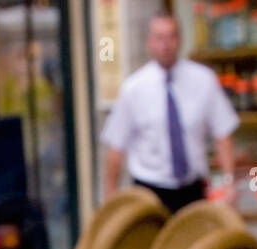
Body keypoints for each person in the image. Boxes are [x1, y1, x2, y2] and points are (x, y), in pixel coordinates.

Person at [101, 14, 238, 212]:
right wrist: (110, 199)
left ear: (180, 40)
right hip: (149, 189)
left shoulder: (203, 80)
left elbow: (223, 133)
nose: (166, 44)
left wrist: (229, 182)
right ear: (148, 43)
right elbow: (116, 148)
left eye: (171, 37)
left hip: (192, 189)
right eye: (159, 38)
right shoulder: (134, 88)